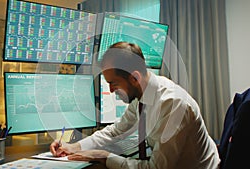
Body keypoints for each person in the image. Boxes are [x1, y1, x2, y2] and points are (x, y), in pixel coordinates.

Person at [50, 42, 220, 169]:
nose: (110, 90)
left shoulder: (173, 104)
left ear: (135, 78)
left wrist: (104, 156)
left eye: (114, 83)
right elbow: (116, 130)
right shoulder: (142, 96)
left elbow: (156, 168)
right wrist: (74, 146)